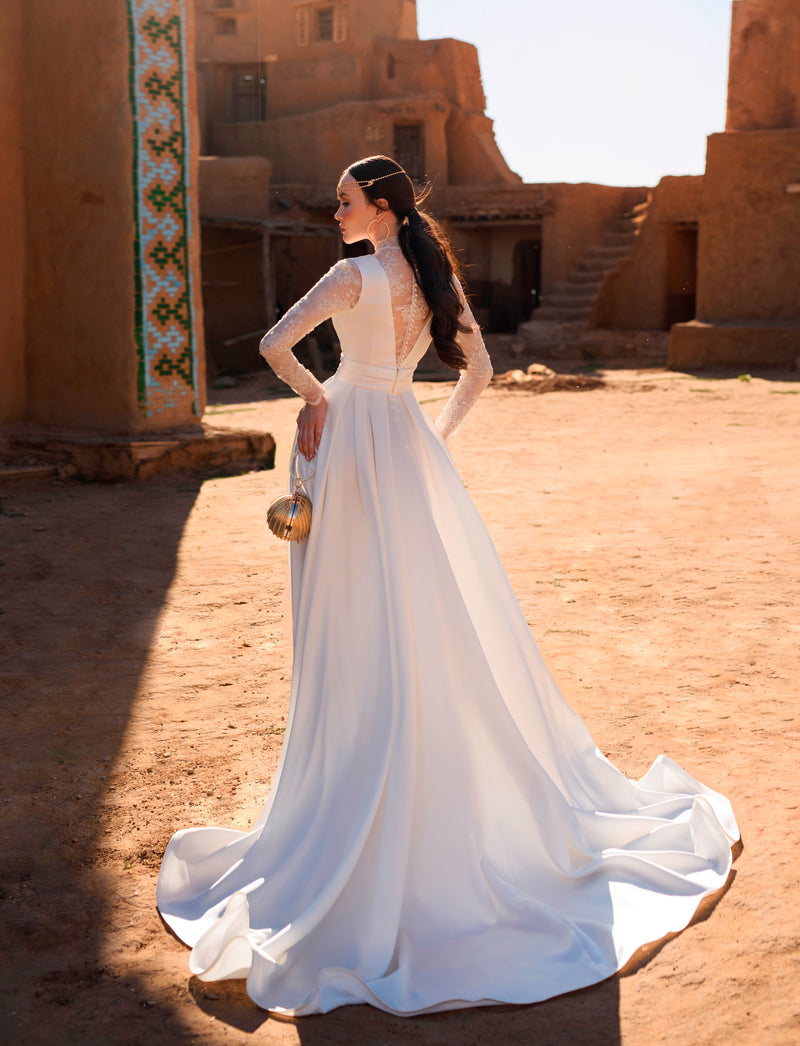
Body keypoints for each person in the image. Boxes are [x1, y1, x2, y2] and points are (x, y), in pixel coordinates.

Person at [157, 155, 739, 1017]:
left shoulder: (350, 274)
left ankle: (359, 775)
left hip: (347, 446)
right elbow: (480, 373)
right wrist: (430, 436)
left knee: (349, 619)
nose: (336, 212)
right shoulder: (430, 277)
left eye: (348, 200)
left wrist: (317, 402)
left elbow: (275, 344)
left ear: (383, 208)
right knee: (426, 617)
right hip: (404, 449)